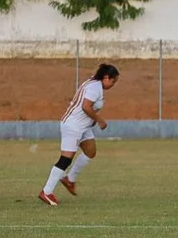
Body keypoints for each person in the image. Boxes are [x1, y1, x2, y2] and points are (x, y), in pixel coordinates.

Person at [38, 63, 120, 206]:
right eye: (113, 81)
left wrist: (92, 121)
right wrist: (99, 120)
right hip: (73, 126)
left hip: (83, 127)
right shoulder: (95, 87)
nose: (114, 85)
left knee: (90, 152)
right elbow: (85, 106)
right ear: (106, 77)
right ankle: (46, 192)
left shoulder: (94, 83)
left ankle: (69, 179)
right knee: (65, 160)